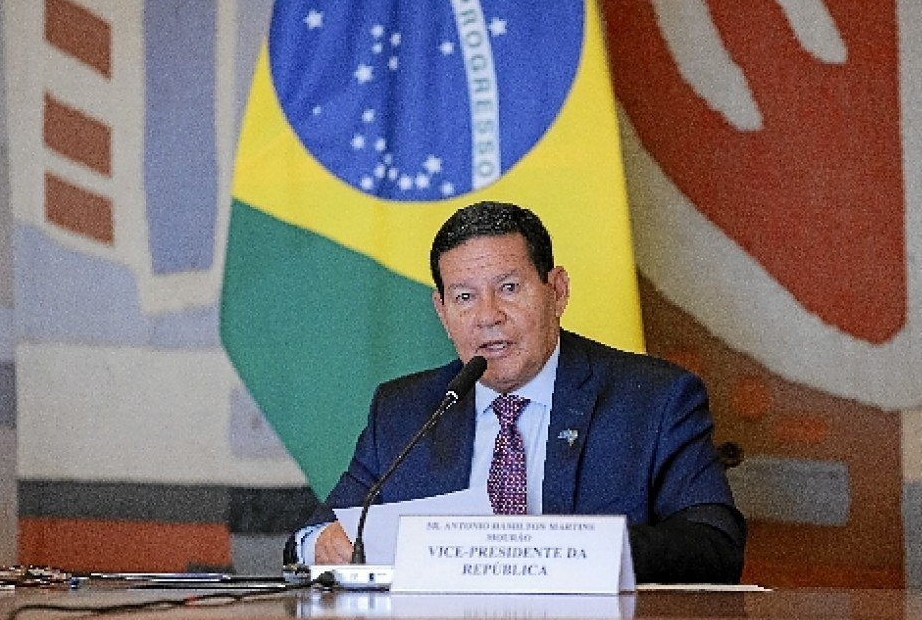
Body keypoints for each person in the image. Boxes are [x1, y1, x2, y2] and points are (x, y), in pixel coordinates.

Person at [287, 201, 746, 583]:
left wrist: (564, 549)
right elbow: (308, 538)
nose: (488, 316)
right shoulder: (405, 411)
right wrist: (322, 543)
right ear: (442, 312)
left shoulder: (654, 398)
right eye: (464, 297)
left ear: (557, 291)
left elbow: (715, 544)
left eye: (508, 288)